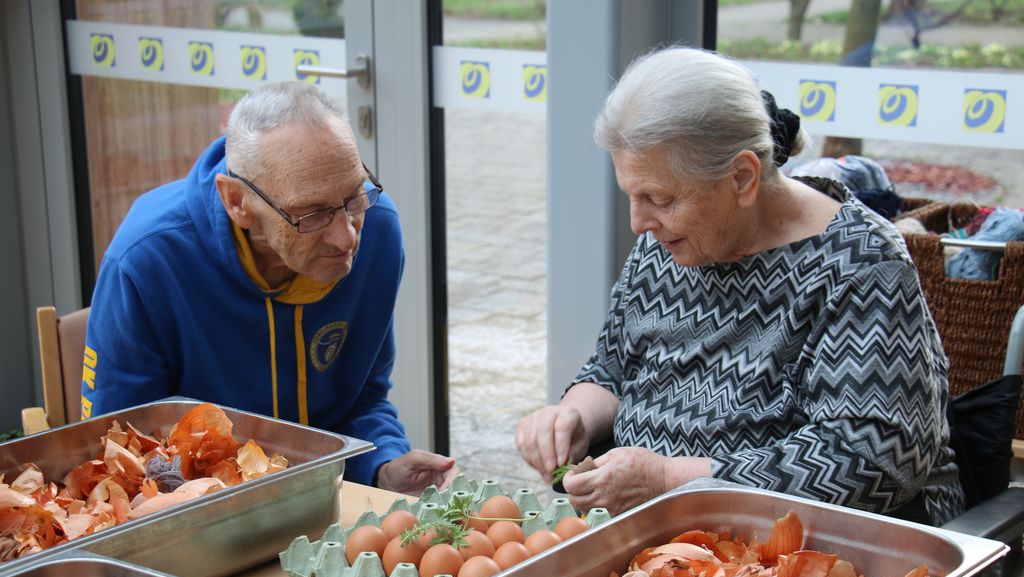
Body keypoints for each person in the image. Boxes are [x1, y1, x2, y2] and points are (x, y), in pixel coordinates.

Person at [515, 47, 965, 524]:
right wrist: (574, 416)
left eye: (660, 198)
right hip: (662, 535)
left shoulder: (861, 264)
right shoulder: (669, 242)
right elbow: (613, 368)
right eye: (632, 195)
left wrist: (669, 480)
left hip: (802, 548)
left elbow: (874, 462)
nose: (638, 222)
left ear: (743, 177)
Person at [82, 81, 457, 495]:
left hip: (327, 494)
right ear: (236, 202)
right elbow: (122, 451)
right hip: (195, 506)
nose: (347, 237)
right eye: (311, 215)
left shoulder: (378, 230)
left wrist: (381, 464)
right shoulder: (146, 260)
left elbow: (363, 397)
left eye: (354, 197)